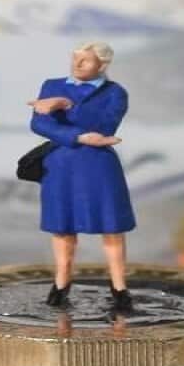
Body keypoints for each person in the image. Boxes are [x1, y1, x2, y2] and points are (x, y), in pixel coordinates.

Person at [27, 40, 136, 311]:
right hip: (60, 165)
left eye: (84, 60)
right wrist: (77, 135)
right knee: (61, 226)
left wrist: (65, 104)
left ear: (103, 64)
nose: (76, 64)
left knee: (111, 227)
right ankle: (61, 284)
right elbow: (39, 123)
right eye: (75, 58)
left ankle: (120, 288)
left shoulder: (115, 93)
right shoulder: (51, 84)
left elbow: (104, 127)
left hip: (98, 166)